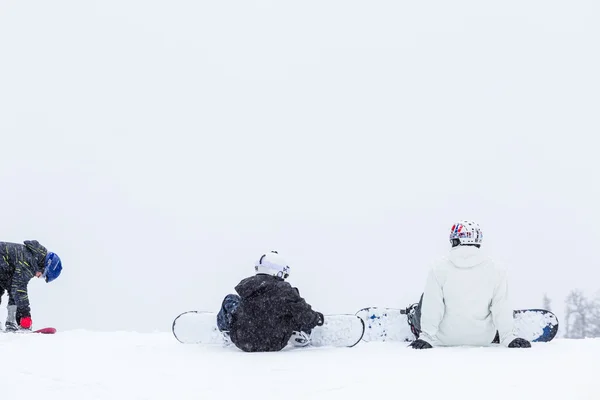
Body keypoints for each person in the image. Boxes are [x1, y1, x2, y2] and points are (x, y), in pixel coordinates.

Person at [408, 220, 531, 349]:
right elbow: (501, 305)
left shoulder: (438, 268)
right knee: (496, 300)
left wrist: (426, 337)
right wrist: (509, 337)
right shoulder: (497, 269)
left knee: (427, 297)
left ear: (455, 241)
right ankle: (500, 328)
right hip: (483, 339)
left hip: (443, 338)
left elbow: (433, 306)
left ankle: (414, 317)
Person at [216, 251, 324, 352]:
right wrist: (317, 318)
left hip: (242, 340)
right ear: (278, 272)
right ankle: (299, 332)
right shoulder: (285, 290)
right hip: (275, 342)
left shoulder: (246, 287)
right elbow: (304, 314)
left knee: (230, 299)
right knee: (292, 307)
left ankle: (227, 331)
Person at [0, 240, 62, 332]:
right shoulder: (29, 261)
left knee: (11, 288)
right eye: (43, 274)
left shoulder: (30, 257)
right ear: (44, 266)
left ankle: (11, 323)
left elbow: (14, 288)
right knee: (16, 290)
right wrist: (25, 316)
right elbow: (19, 290)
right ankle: (11, 324)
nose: (38, 276)